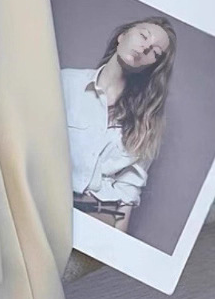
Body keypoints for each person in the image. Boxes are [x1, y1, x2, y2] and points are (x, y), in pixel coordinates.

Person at [60, 16, 176, 233]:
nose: (145, 48)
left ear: (153, 65)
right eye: (143, 36)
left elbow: (129, 188)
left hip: (99, 215)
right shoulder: (65, 82)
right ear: (122, 36)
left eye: (155, 52)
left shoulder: (147, 119)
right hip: (50, 203)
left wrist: (116, 242)